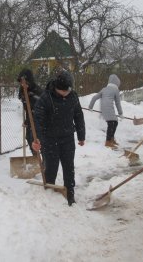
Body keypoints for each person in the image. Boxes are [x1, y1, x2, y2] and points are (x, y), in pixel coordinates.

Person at [31, 70, 85, 206]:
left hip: (67, 138)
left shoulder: (73, 96)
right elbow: (37, 120)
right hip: (50, 139)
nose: (66, 93)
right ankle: (49, 195)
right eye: (63, 91)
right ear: (56, 88)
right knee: (51, 167)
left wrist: (81, 134)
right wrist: (35, 139)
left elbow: (78, 115)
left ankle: (70, 195)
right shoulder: (46, 98)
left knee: (69, 167)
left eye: (68, 90)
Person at [88, 74, 123, 149]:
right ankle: (108, 142)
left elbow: (94, 98)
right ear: (117, 83)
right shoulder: (116, 90)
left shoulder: (104, 89)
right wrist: (120, 113)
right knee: (111, 124)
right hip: (109, 108)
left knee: (115, 123)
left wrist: (90, 107)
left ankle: (111, 140)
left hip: (104, 109)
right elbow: (117, 103)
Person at [17, 68, 43, 155]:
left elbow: (38, 110)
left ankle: (45, 160)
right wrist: (27, 121)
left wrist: (28, 121)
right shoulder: (22, 91)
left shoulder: (37, 92)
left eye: (25, 82)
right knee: (29, 137)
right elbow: (28, 110)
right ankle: (35, 158)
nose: (23, 84)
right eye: (21, 82)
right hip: (30, 118)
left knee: (39, 140)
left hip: (40, 121)